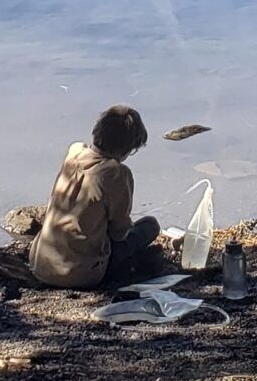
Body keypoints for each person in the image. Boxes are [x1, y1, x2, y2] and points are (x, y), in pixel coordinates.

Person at [29, 105, 162, 289]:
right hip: (80, 274)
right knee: (150, 226)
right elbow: (119, 232)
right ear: (126, 149)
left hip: (40, 264)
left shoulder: (74, 152)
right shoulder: (115, 173)